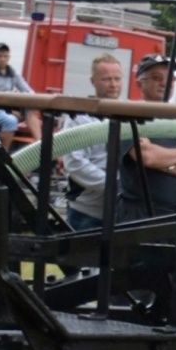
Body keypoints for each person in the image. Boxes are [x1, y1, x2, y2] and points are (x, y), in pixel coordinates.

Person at [117, 55, 176, 222]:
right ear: (140, 83)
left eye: (170, 78)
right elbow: (147, 156)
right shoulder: (129, 118)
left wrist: (163, 164)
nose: (164, 83)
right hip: (139, 215)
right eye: (156, 77)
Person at [61, 53, 127, 232]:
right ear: (93, 81)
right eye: (106, 79)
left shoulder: (130, 115)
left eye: (117, 78)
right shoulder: (78, 118)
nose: (113, 84)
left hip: (122, 212)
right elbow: (74, 163)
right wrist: (117, 187)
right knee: (83, 260)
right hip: (87, 213)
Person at [0, 42, 37, 145]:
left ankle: (41, 144)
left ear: (9, 57)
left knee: (29, 110)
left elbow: (29, 91)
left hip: (6, 108)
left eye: (5, 56)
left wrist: (25, 100)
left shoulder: (13, 72)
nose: (2, 59)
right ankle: (3, 154)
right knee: (9, 121)